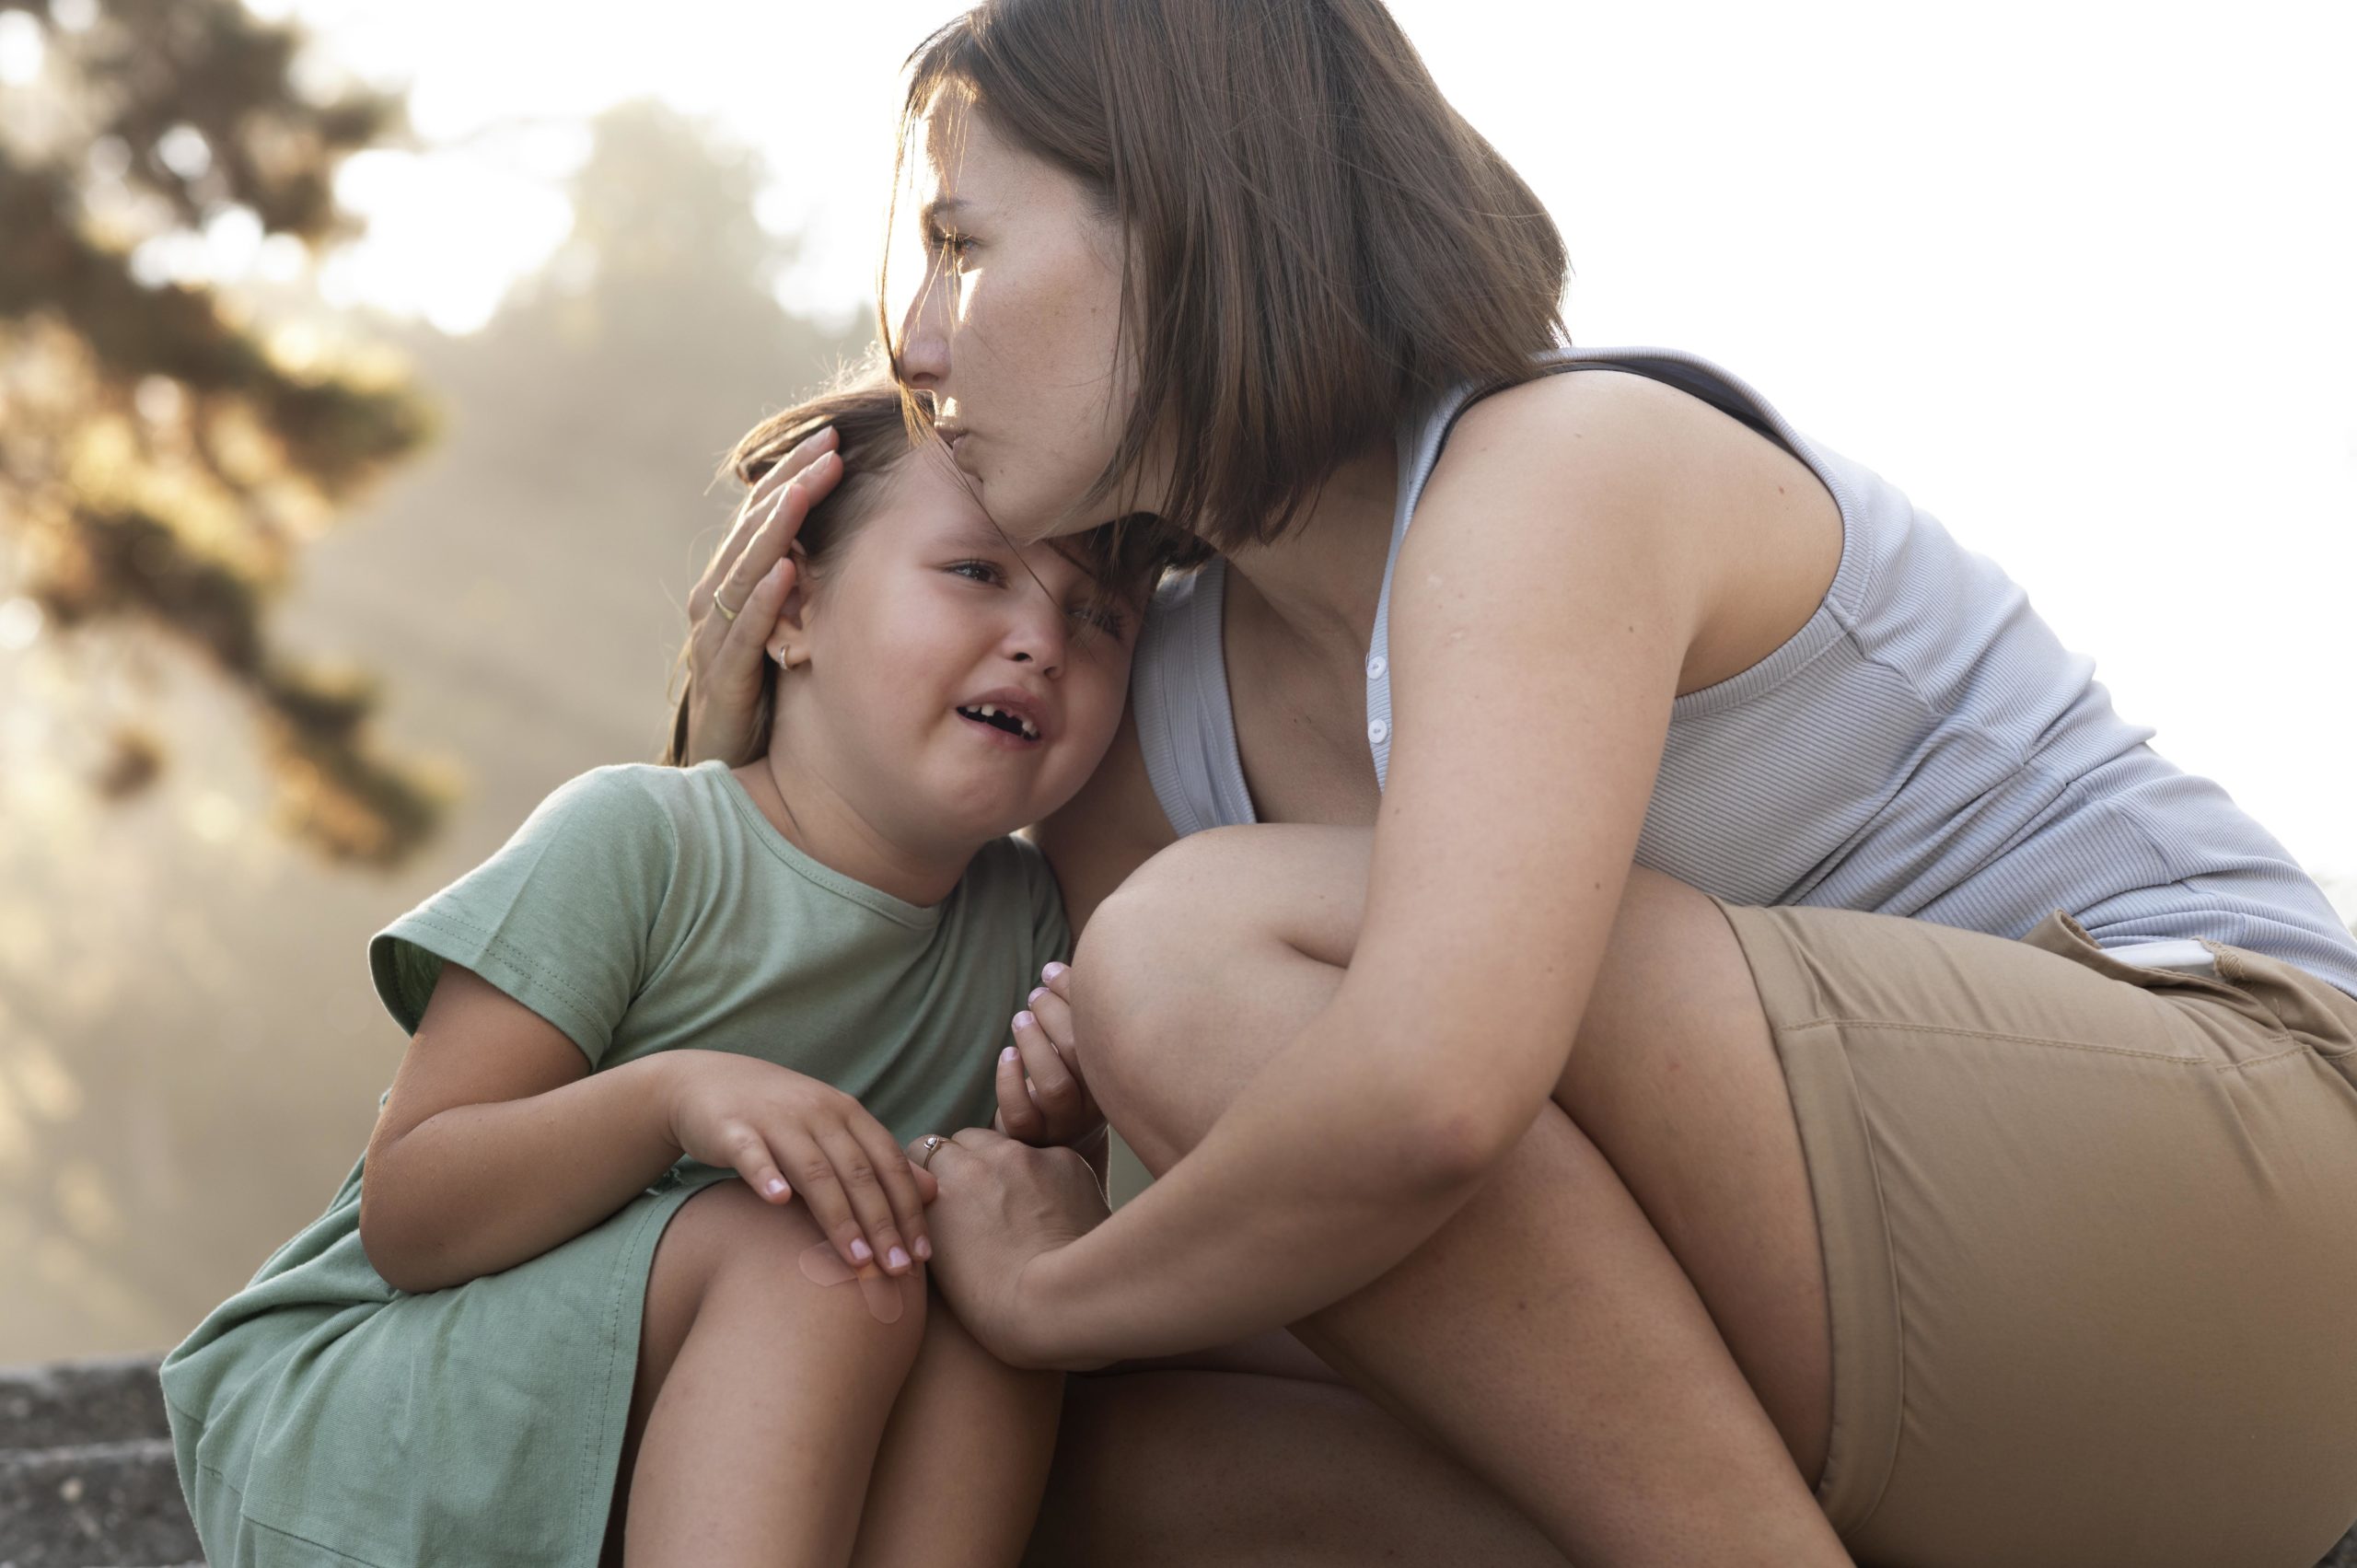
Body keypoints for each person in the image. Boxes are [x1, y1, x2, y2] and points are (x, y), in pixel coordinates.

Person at [679, 4, 2357, 1566]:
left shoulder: (1558, 470)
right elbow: (1193, 1211)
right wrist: (765, 760)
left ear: (1190, 227)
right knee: (1113, 1464)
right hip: (1924, 1374)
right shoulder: (1159, 715)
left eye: (962, 246)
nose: (914, 337)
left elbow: (1425, 1097)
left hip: (2258, 1188)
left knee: (1193, 966)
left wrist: (1057, 1294)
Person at [158, 377, 1177, 1568]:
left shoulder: (1033, 931)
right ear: (788, 612)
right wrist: (672, 1096)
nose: (1041, 641)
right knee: (821, 1263)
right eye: (977, 572)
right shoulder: (641, 839)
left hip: (704, 1444)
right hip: (379, 1421)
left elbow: (1029, 1226)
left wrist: (1051, 1139)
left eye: (1099, 616)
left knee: (988, 1265)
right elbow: (411, 1215)